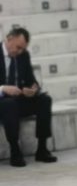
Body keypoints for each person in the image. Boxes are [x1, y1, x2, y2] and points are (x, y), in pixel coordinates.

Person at [0, 28, 58, 167]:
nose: (19, 51)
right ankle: (15, 150)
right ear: (9, 39)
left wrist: (33, 89)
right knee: (9, 104)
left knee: (45, 100)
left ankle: (42, 149)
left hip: (18, 99)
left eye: (22, 49)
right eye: (18, 47)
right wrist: (3, 88)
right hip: (2, 102)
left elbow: (31, 81)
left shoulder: (24, 55)